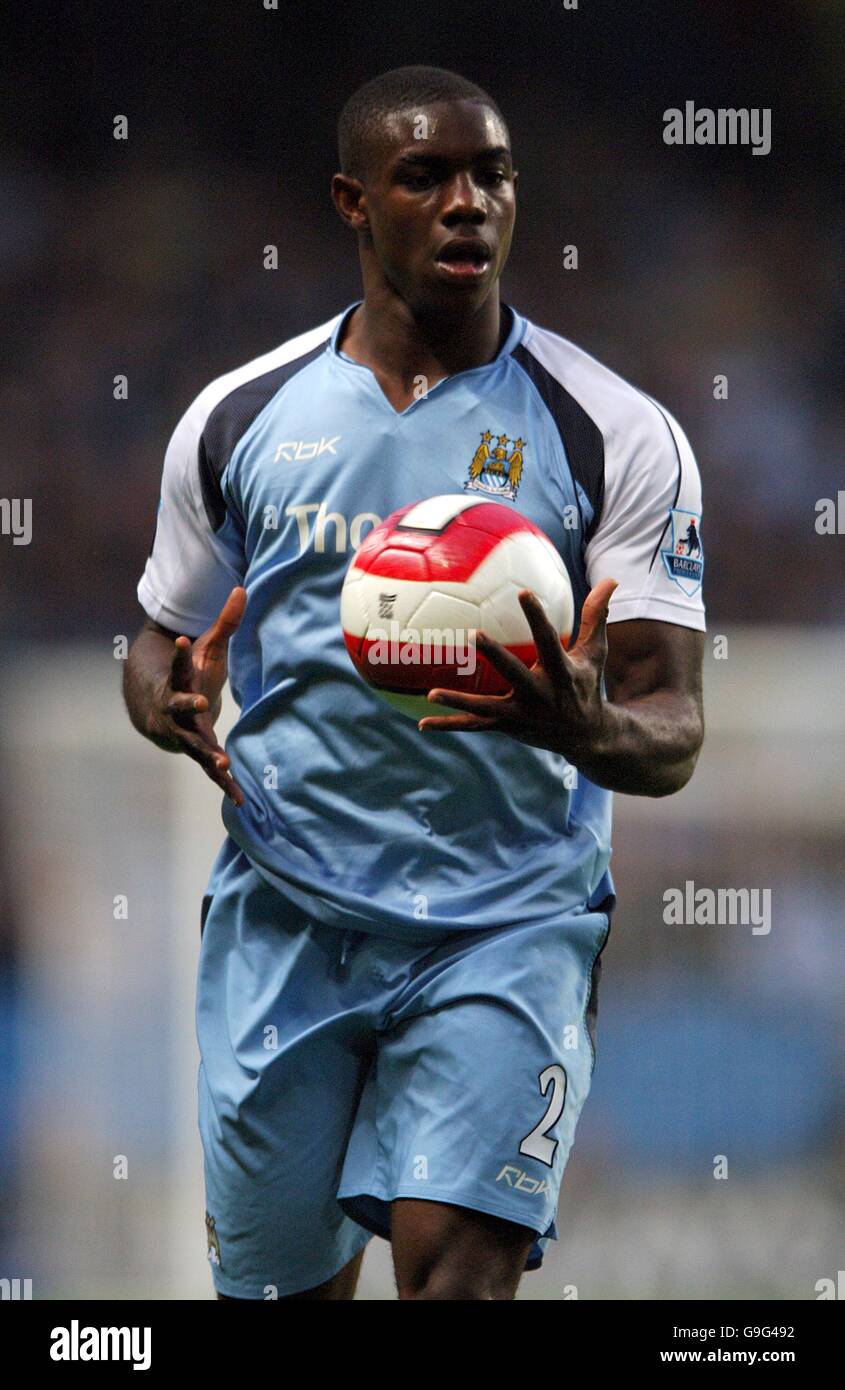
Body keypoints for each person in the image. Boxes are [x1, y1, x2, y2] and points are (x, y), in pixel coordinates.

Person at [123, 65, 705, 1301]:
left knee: (458, 1279)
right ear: (350, 200)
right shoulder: (238, 420)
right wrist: (165, 701)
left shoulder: (614, 432)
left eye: (490, 174)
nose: (466, 203)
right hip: (290, 914)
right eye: (425, 176)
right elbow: (154, 641)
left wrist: (590, 724)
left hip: (505, 923)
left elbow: (674, 725)